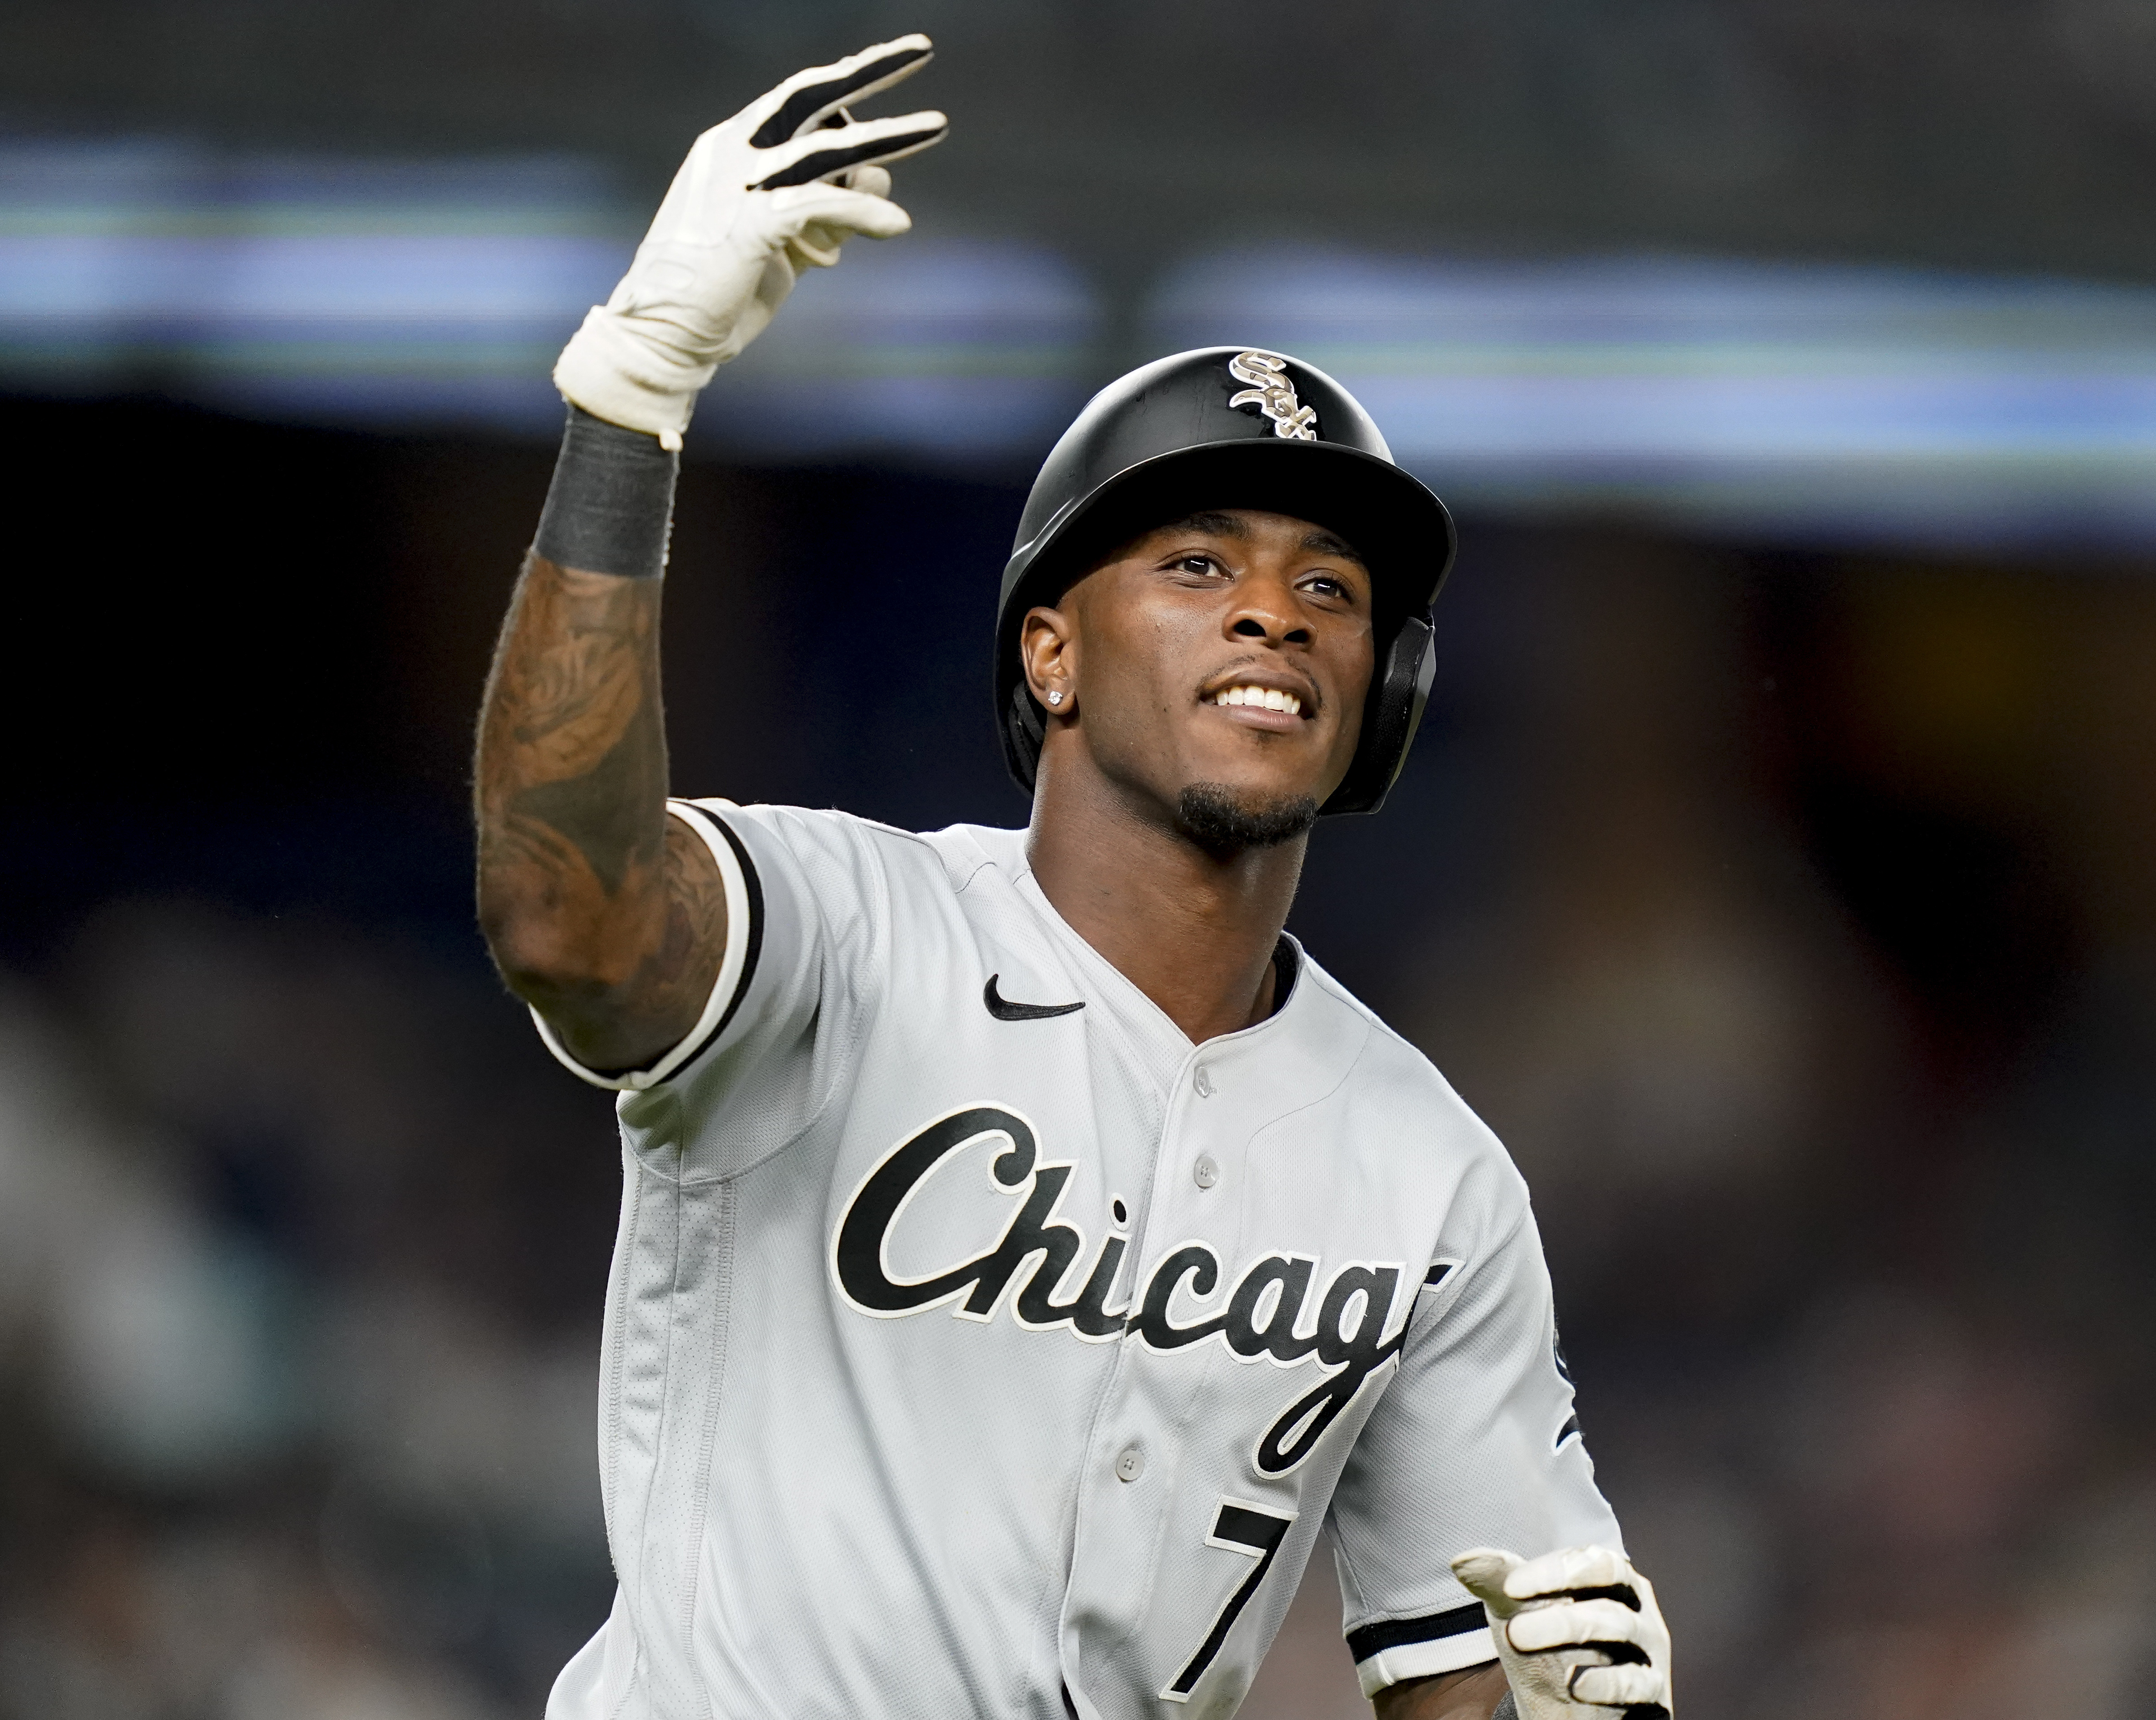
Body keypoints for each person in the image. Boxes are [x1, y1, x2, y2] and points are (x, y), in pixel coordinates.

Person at [473, 34, 1673, 1720]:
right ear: (1051, 650)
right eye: (1196, 565)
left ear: (1382, 695)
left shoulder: (1433, 1184)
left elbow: (1481, 1673)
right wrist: (630, 406)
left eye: (1329, 588)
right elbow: (562, 916)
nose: (1273, 613)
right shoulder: (840, 931)